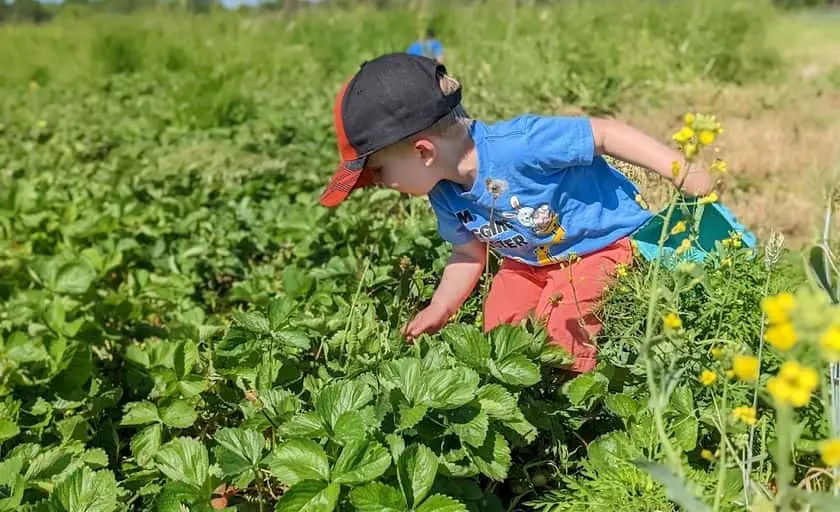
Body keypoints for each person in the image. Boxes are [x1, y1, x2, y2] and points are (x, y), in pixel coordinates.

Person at [319, 53, 714, 373]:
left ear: (424, 152)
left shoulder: (521, 145)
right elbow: (467, 254)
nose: (381, 184)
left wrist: (682, 171)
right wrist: (440, 306)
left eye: (380, 172)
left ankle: (574, 408)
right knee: (499, 330)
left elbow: (605, 134)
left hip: (601, 245)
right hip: (529, 261)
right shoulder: (443, 193)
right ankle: (519, 390)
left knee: (563, 326)